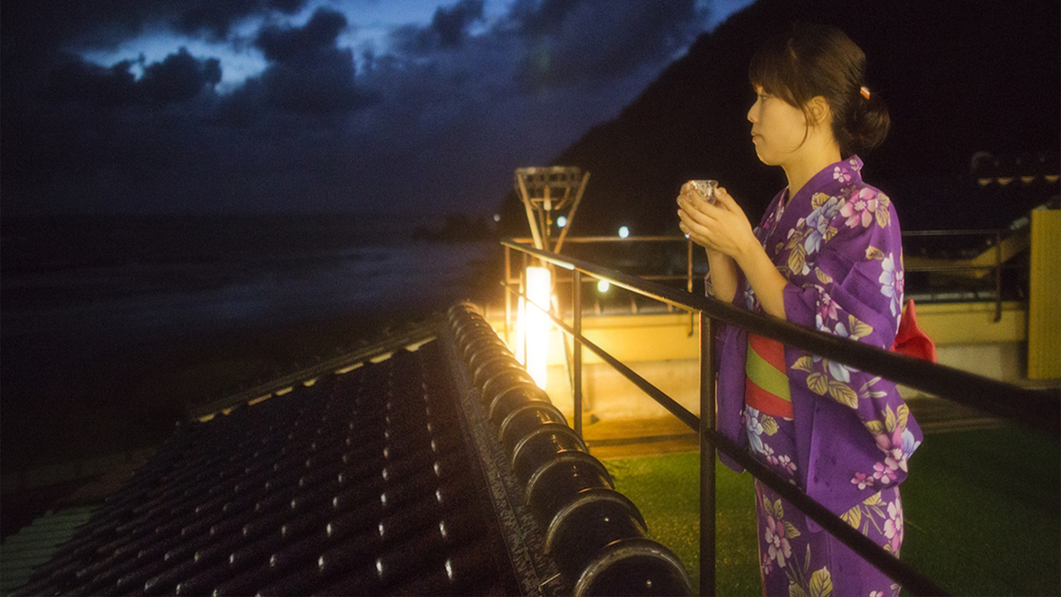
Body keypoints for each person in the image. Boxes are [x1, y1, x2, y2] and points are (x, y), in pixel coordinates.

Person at [677, 22, 922, 597]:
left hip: (840, 485)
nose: (751, 113)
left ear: (814, 110)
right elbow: (745, 313)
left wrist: (745, 248)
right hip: (780, 476)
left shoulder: (868, 211)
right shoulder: (779, 208)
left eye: (766, 96)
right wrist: (721, 249)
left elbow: (847, 337)